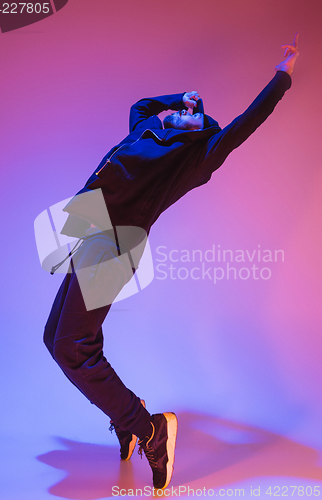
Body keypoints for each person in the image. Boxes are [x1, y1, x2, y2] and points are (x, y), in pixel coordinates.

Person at [43, 34, 299, 490]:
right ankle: (125, 420)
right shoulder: (146, 130)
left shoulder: (190, 160)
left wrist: (283, 76)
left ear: (197, 130)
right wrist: (178, 97)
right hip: (89, 233)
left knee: (70, 347)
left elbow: (243, 125)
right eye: (187, 108)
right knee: (58, 339)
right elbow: (143, 105)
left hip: (113, 247)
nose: (188, 110)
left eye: (195, 114)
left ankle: (150, 430)